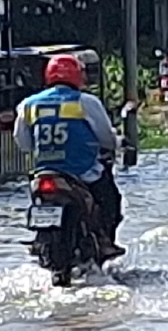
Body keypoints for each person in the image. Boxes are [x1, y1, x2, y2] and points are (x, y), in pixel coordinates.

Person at [13, 54, 125, 261]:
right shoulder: (86, 102)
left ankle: (39, 241)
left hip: (44, 174)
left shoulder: (28, 105)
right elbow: (107, 139)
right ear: (78, 76)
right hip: (83, 174)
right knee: (111, 200)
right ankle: (105, 242)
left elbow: (23, 143)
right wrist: (117, 143)